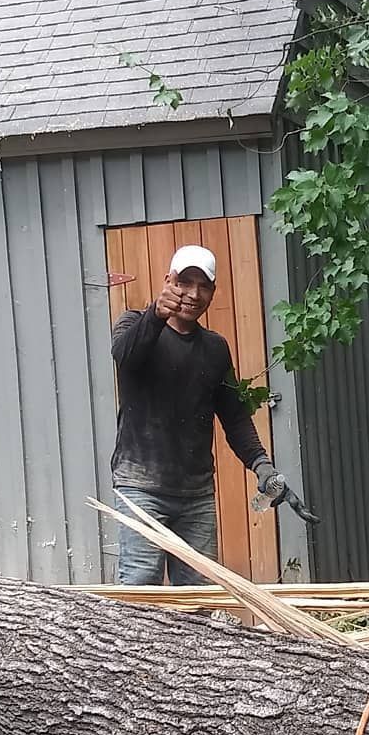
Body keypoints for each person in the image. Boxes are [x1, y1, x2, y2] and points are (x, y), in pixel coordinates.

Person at [110, 244, 301, 585]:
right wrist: (155, 314)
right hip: (140, 489)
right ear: (169, 281)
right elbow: (125, 356)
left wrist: (263, 466)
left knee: (200, 595)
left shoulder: (214, 349)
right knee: (140, 595)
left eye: (204, 286)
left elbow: (235, 417)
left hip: (195, 496)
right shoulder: (135, 325)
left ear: (213, 292)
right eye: (185, 283)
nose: (193, 294)